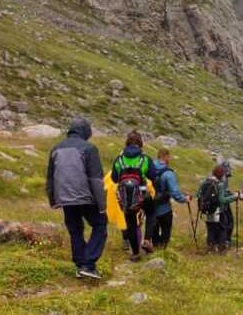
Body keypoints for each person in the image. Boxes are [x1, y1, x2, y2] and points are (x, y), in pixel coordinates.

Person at [47, 118, 107, 280]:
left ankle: (80, 265)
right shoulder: (89, 148)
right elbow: (96, 179)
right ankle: (88, 264)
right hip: (86, 197)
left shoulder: (56, 148)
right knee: (100, 225)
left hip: (65, 198)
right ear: (86, 132)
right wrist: (102, 204)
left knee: (75, 230)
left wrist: (53, 199)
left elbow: (51, 177)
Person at [111, 131, 158, 261]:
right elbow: (153, 176)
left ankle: (136, 253)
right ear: (140, 143)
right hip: (142, 195)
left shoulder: (119, 160)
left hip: (125, 198)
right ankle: (147, 239)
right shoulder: (144, 159)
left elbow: (114, 179)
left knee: (130, 223)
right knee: (152, 212)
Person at [146, 148, 190, 249]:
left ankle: (155, 248)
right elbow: (175, 193)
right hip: (164, 208)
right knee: (165, 231)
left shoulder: (148, 168)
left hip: (150, 206)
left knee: (154, 231)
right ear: (166, 157)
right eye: (169, 157)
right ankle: (162, 250)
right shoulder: (168, 173)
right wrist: (185, 199)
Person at [197, 165, 238, 253]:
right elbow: (222, 200)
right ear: (221, 174)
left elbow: (198, 195)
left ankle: (211, 247)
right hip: (219, 211)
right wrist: (234, 197)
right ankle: (221, 248)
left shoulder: (204, 182)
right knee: (222, 229)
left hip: (207, 210)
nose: (224, 176)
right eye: (223, 174)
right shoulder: (219, 184)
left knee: (210, 229)